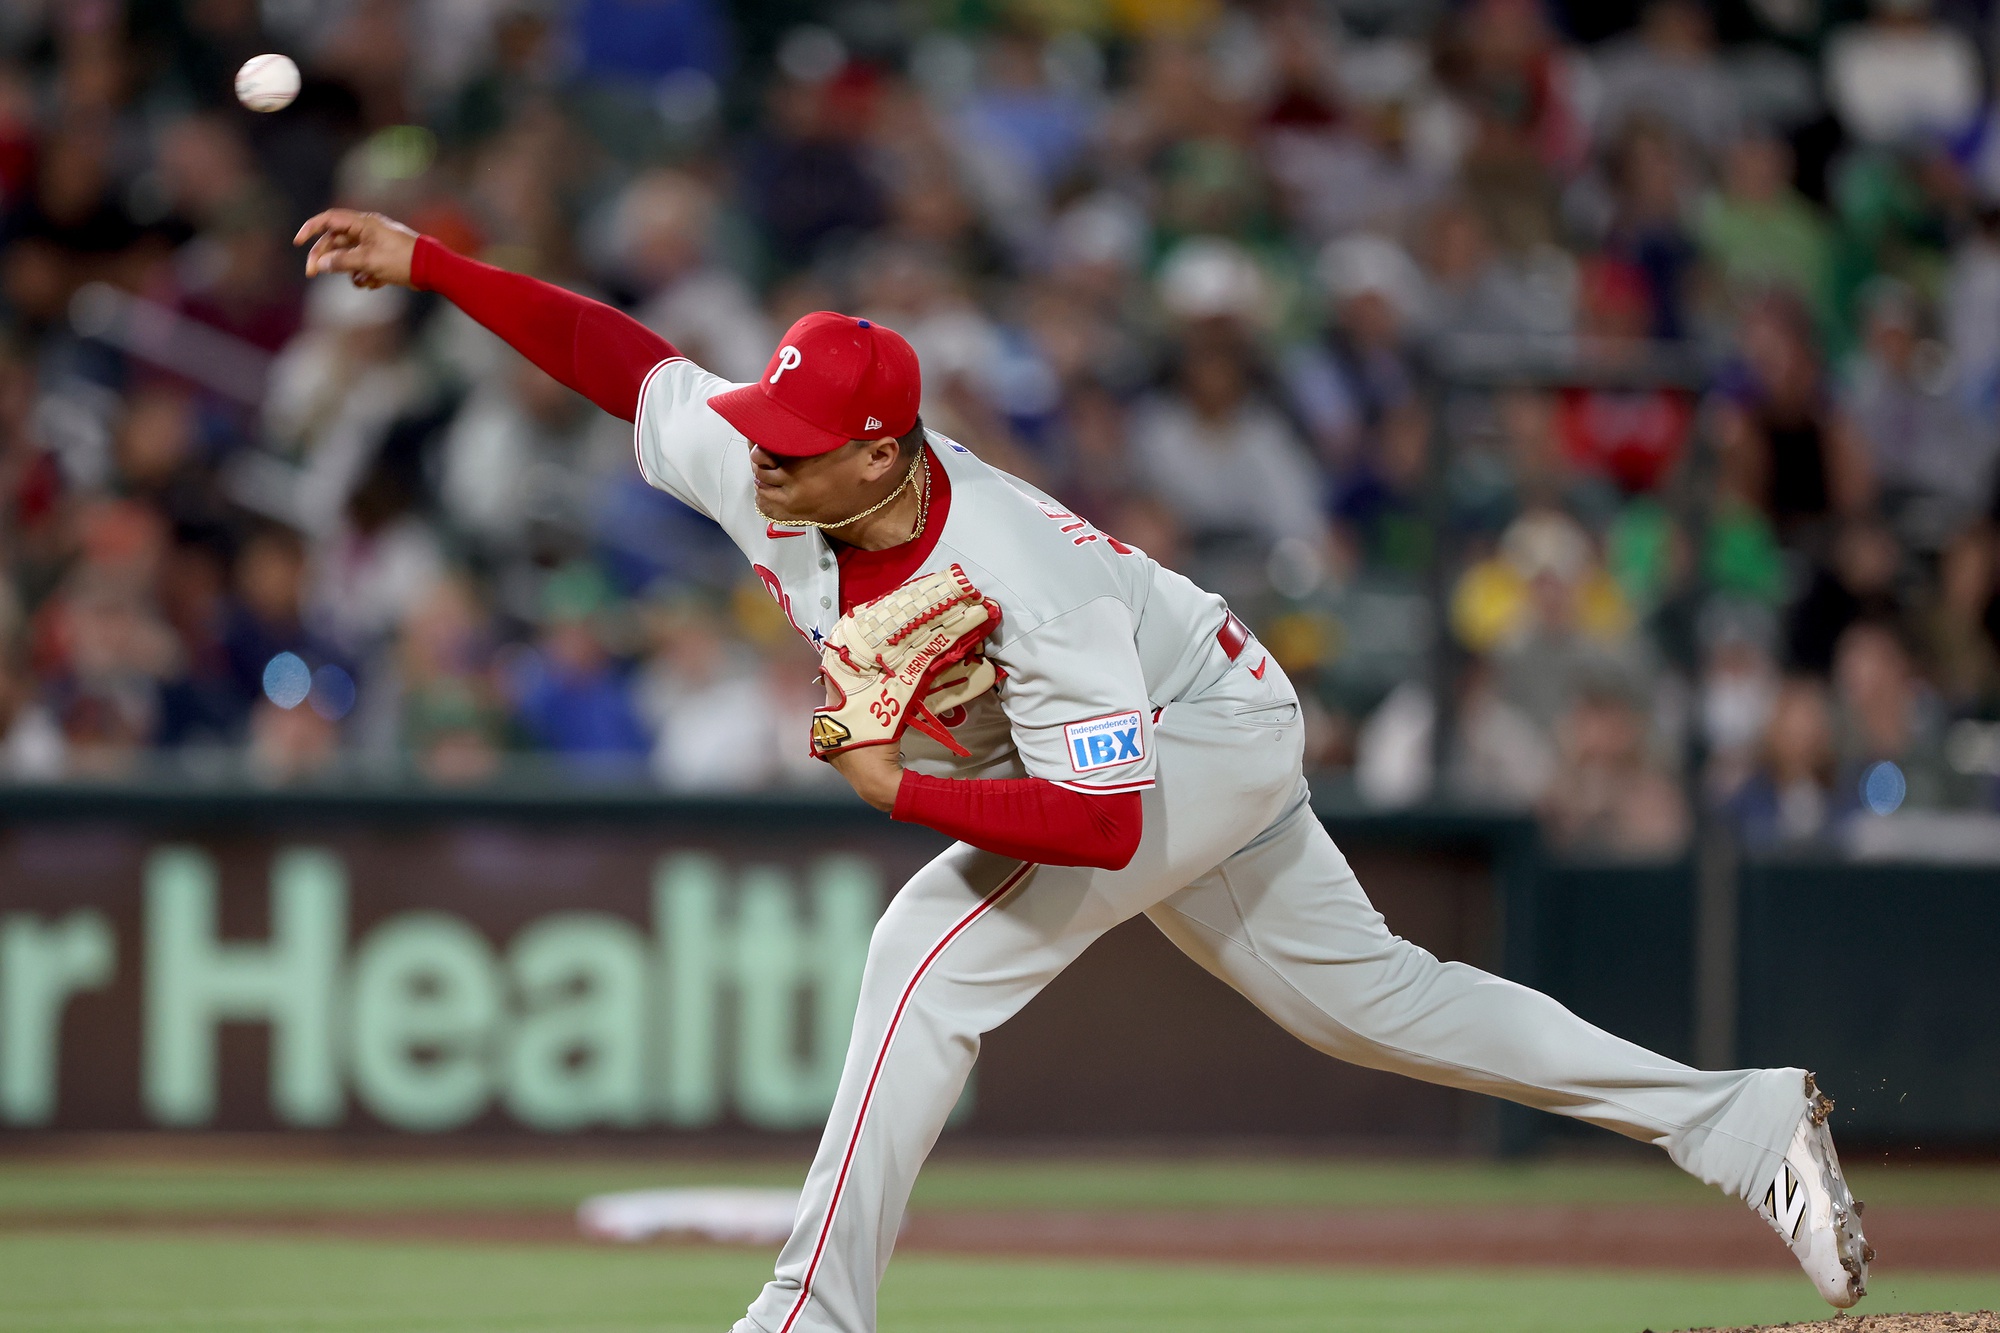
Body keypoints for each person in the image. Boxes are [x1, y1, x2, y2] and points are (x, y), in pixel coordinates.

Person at [294, 208, 1876, 1328]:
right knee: (1378, 1004)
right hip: (1147, 739)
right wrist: (433, 265)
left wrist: (902, 790)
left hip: (1199, 731)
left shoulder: (1016, 573)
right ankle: (1740, 1123)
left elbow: (1104, 825)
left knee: (925, 944)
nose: (758, 448)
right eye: (762, 422)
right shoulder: (778, 465)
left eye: (795, 438)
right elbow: (623, 362)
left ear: (884, 451)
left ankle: (804, 1314)